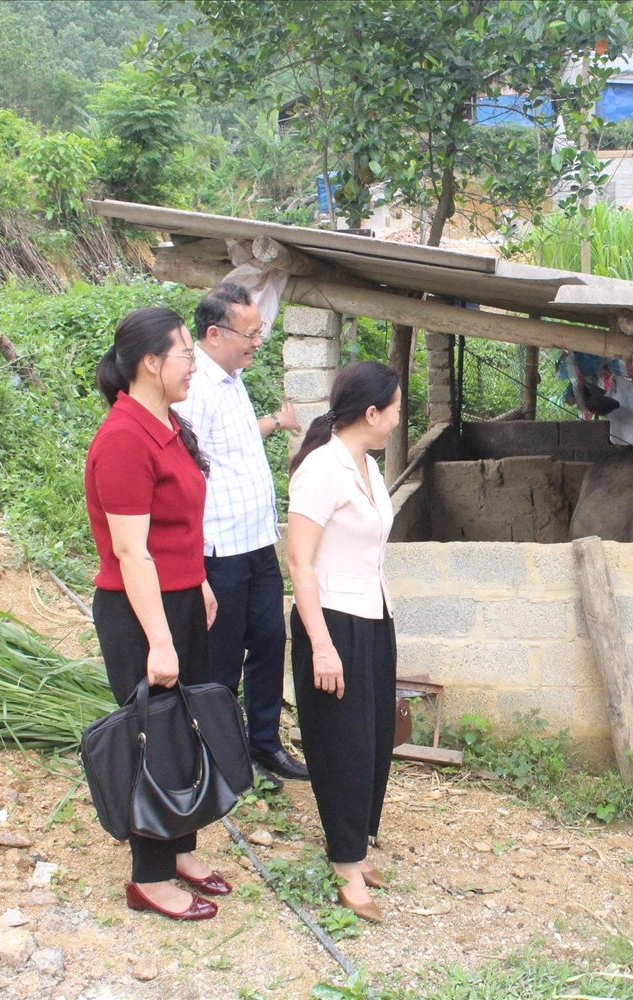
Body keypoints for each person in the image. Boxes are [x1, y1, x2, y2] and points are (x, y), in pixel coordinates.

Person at [85, 307, 231, 920]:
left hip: (176, 597)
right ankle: (149, 877)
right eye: (184, 354)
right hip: (138, 609)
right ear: (151, 362)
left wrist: (195, 581)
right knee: (155, 737)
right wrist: (160, 639)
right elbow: (129, 550)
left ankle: (179, 848)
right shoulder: (123, 438)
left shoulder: (164, 423)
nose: (193, 364)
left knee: (184, 726)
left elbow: (177, 528)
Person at [171, 282, 307, 789]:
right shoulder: (194, 391)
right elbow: (187, 476)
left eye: (260, 331)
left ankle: (265, 743)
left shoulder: (233, 377)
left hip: (255, 543)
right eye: (250, 333)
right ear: (214, 333)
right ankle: (223, 756)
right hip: (218, 550)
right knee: (223, 658)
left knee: (270, 642)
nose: (257, 342)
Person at [284, 361, 401, 924]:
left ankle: (357, 841)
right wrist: (321, 645)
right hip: (330, 620)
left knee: (375, 738)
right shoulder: (320, 470)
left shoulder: (368, 468)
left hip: (372, 615)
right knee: (343, 744)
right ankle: (345, 862)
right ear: (371, 413)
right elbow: (299, 562)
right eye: (397, 409)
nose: (400, 419)